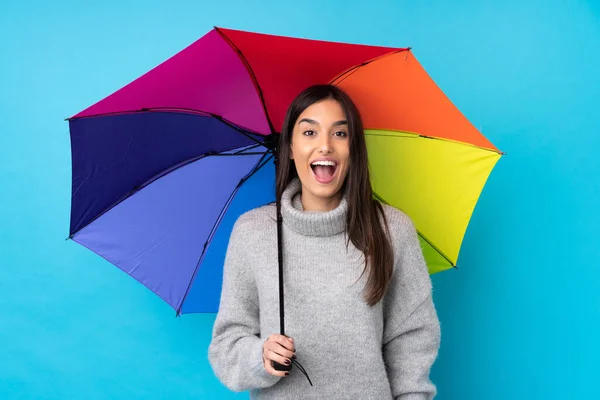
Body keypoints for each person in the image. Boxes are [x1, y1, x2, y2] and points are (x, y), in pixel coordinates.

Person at [208, 84, 441, 399]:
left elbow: (411, 340)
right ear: (290, 147)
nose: (325, 146)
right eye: (309, 133)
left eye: (340, 134)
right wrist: (259, 356)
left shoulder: (391, 230)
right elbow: (226, 345)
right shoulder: (253, 232)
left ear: (353, 148)